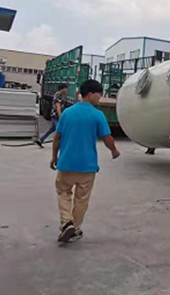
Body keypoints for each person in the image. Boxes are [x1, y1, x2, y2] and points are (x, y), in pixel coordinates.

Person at [50, 79, 121, 243]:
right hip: (87, 167)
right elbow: (107, 137)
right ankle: (75, 228)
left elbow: (57, 138)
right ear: (90, 94)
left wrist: (54, 157)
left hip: (66, 164)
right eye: (99, 94)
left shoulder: (67, 113)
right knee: (81, 200)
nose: (100, 97)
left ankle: (66, 222)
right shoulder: (97, 115)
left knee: (63, 193)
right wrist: (114, 150)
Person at [35, 83, 68, 148]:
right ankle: (60, 144)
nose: (67, 90)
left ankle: (40, 140)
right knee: (59, 129)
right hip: (56, 115)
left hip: (54, 115)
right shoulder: (59, 95)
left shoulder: (59, 94)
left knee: (52, 129)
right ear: (63, 89)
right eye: (66, 88)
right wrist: (60, 116)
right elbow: (58, 105)